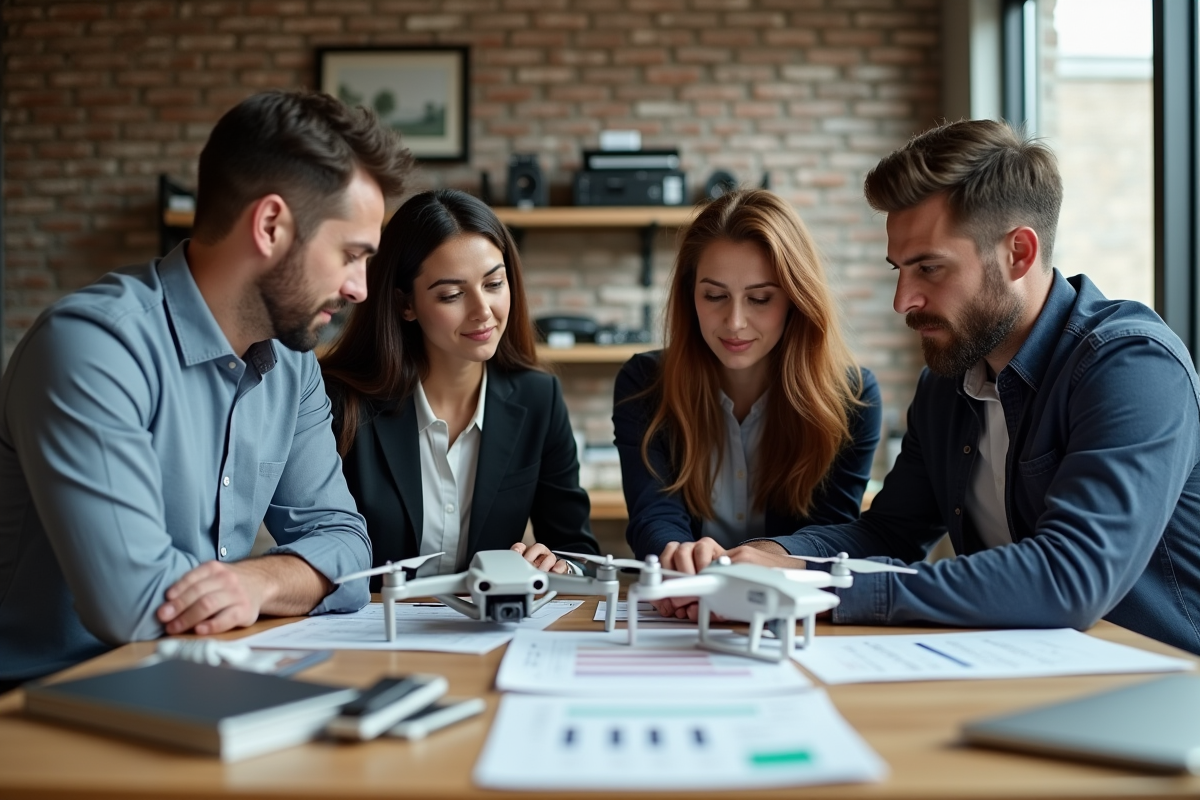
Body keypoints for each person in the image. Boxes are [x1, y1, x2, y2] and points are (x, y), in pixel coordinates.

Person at [699, 120, 1200, 655]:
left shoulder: (1132, 366)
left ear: (1019, 255)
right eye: (898, 269)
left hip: (1162, 691)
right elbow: (889, 533)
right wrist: (769, 556)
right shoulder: (948, 385)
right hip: (1030, 671)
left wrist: (820, 585)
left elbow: (1070, 578)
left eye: (929, 269)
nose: (903, 300)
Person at [0, 89, 414, 690]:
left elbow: (349, 549)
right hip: (49, 710)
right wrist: (292, 576)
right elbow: (136, 605)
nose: (360, 289)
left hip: (200, 682)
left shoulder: (292, 363)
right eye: (352, 255)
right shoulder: (92, 348)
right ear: (270, 225)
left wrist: (260, 581)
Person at [614, 189, 882, 618]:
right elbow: (653, 515)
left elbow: (833, 533)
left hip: (787, 614)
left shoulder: (851, 397)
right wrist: (681, 560)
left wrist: (763, 559)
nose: (735, 322)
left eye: (760, 298)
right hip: (684, 613)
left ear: (796, 299)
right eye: (714, 296)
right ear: (690, 297)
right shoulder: (643, 384)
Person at [320, 189, 599, 587]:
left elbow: (579, 553)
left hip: (488, 631)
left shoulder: (539, 399)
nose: (483, 311)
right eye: (452, 294)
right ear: (405, 304)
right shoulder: (339, 402)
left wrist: (557, 567)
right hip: (372, 632)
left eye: (494, 284)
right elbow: (316, 545)